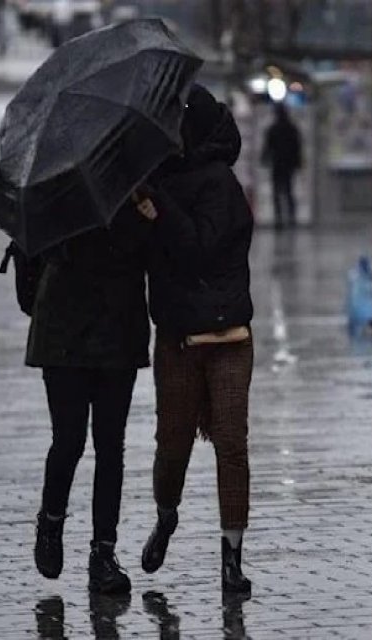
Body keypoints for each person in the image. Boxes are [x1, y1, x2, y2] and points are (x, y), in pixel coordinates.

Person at [134, 85, 255, 593]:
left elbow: (200, 250)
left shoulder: (221, 184)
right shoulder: (154, 184)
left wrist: (160, 212)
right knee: (173, 446)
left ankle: (232, 558)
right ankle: (167, 515)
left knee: (230, 444)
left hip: (228, 338)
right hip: (177, 339)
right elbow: (148, 261)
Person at [29, 206, 151, 594]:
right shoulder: (59, 193)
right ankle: (50, 523)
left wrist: (148, 218)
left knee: (110, 446)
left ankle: (104, 553)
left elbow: (157, 255)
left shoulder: (138, 187)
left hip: (119, 329)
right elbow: (34, 255)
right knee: (69, 440)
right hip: (64, 333)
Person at [262, 103, 302, 230]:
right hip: (289, 164)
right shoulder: (292, 128)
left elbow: (267, 147)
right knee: (289, 191)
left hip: (277, 164)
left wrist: (264, 159)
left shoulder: (272, 129)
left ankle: (278, 219)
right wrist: (298, 163)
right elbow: (297, 147)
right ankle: (291, 218)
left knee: (277, 193)